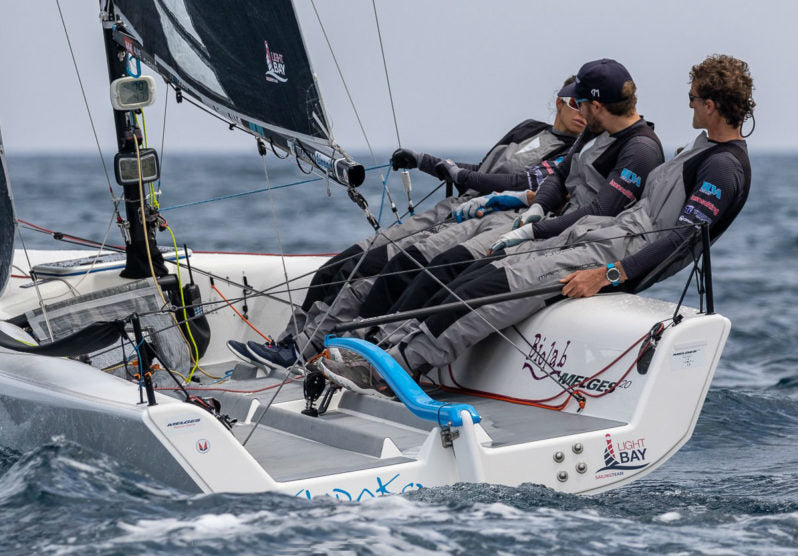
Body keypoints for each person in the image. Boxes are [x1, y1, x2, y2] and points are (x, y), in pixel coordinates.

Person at [321, 54, 754, 392]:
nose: (688, 103)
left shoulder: (722, 168)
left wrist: (608, 275)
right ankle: (382, 350)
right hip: (594, 235)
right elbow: (566, 180)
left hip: (613, 254)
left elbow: (681, 239)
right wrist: (535, 216)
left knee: (493, 287)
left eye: (693, 97)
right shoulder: (701, 147)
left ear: (711, 105)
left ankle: (395, 369)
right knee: (476, 272)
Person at [227, 77, 586, 369]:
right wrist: (425, 161)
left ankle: (310, 350)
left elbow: (512, 183)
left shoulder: (571, 154)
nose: (582, 114)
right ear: (559, 102)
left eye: (588, 108)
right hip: (453, 207)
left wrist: (446, 168)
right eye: (575, 104)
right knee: (340, 265)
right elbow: (480, 170)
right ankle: (289, 342)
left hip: (485, 217)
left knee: (375, 275)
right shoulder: (528, 129)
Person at [338, 58, 665, 338]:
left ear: (597, 106)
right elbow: (557, 178)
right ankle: (370, 338)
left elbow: (600, 210)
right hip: (540, 224)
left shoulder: (640, 149)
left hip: (570, 241)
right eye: (571, 102)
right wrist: (538, 207)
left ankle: (392, 347)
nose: (577, 109)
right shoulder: (585, 132)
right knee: (421, 265)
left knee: (456, 274)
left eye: (580, 102)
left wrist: (532, 226)